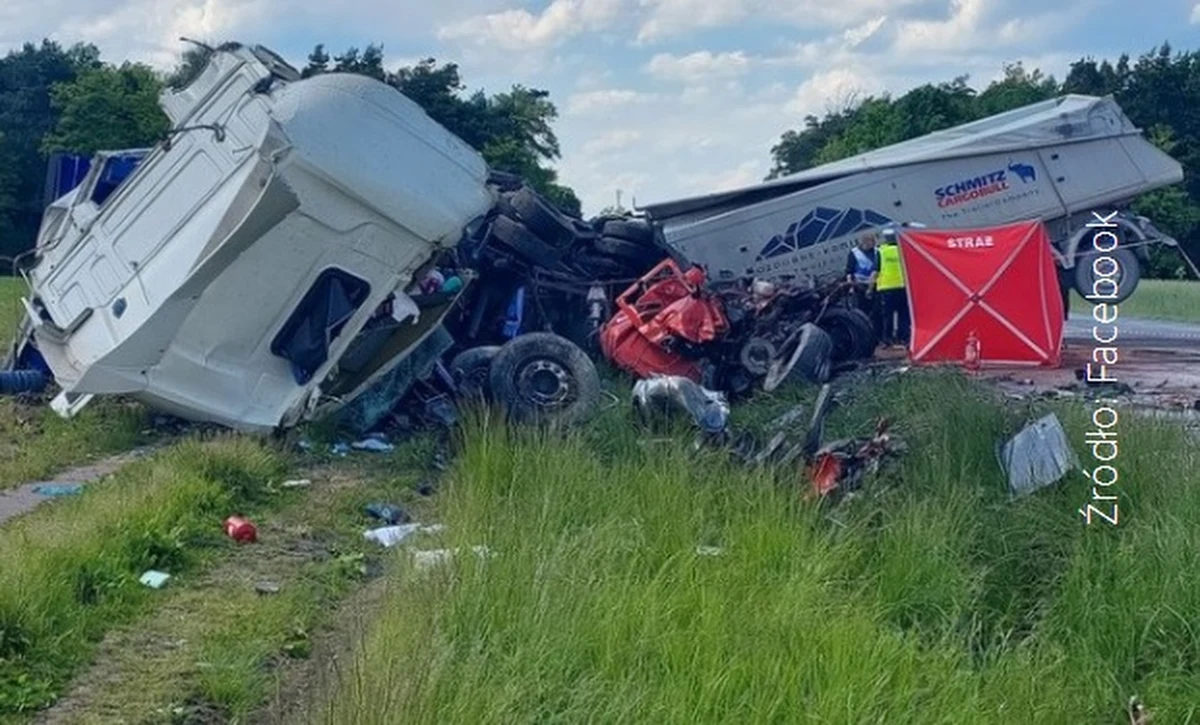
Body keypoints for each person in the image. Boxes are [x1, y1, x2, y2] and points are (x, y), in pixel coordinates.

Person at [875, 228, 910, 347]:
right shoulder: (903, 249)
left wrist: (870, 287)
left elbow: (876, 270)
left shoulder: (881, 251)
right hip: (903, 286)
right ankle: (904, 338)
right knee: (904, 314)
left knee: (888, 316)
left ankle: (887, 339)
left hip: (886, 288)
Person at [845, 231, 881, 332]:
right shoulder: (854, 253)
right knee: (863, 312)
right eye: (871, 241)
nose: (873, 243)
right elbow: (849, 271)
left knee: (878, 312)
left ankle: (879, 334)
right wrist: (851, 287)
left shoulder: (877, 251)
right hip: (860, 286)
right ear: (864, 242)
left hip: (876, 285)